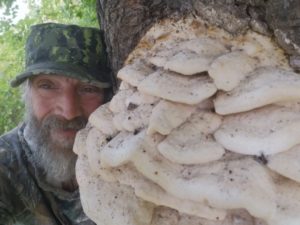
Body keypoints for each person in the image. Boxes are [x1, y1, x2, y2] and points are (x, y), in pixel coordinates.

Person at [0, 23, 113, 225]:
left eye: (88, 88)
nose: (69, 112)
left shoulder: (128, 154)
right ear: (28, 94)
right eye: (47, 86)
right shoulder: (5, 166)